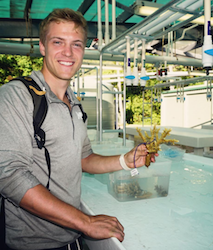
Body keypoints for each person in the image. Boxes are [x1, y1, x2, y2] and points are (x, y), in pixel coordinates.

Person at [0, 8, 156, 250]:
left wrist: (126, 160)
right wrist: (86, 221)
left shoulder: (74, 104)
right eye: (58, 42)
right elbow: (9, 176)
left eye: (77, 44)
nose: (68, 52)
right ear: (42, 47)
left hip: (72, 237)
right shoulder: (16, 96)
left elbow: (84, 158)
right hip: (34, 243)